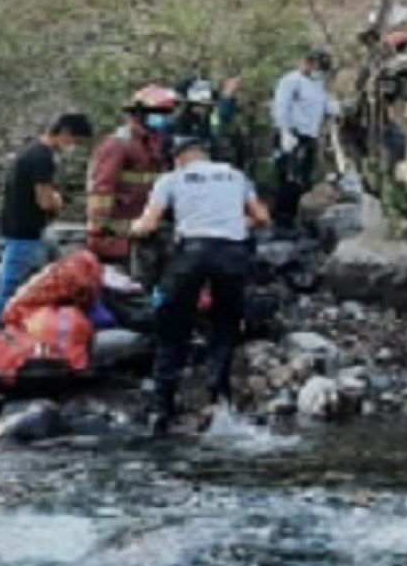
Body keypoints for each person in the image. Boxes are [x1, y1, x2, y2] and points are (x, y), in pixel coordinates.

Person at [131, 133, 270, 433]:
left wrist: (133, 229)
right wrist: (232, 222)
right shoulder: (235, 175)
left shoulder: (172, 179)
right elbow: (261, 217)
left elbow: (148, 225)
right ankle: (218, 401)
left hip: (191, 254)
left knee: (172, 327)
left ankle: (162, 407)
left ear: (179, 158)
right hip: (232, 255)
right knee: (225, 325)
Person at [0, 113, 95, 329]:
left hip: (20, 229)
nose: (73, 145)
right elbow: (45, 200)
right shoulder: (42, 158)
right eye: (74, 140)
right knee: (11, 289)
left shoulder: (32, 152)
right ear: (64, 132)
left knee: (32, 285)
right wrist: (57, 200)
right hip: (25, 233)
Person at [86, 85, 178, 278]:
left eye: (164, 113)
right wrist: (97, 229)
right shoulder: (119, 144)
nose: (161, 119)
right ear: (140, 114)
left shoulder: (156, 142)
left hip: (146, 233)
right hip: (118, 236)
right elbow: (102, 188)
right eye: (157, 113)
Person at [270, 51, 342, 234]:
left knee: (303, 180)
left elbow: (325, 104)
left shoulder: (317, 85)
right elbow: (281, 106)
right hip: (291, 135)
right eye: (318, 68)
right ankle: (281, 222)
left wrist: (338, 108)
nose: (320, 72)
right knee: (289, 179)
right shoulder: (291, 81)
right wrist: (284, 131)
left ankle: (296, 218)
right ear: (308, 64)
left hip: (309, 136)